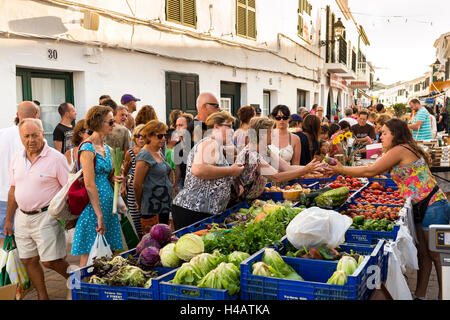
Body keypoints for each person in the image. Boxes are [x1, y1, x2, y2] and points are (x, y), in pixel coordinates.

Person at [328, 118, 449, 300]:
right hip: (418, 205)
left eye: (384, 133)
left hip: (433, 203)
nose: (381, 136)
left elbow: (371, 171)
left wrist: (341, 169)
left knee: (437, 256)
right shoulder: (399, 149)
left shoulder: (400, 150)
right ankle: (421, 295)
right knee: (424, 254)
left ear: (395, 134)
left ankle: (445, 295)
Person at [4, 118, 70, 300]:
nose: (31, 140)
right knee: (28, 260)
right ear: (20, 137)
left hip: (46, 216)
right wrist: (8, 220)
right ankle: (43, 296)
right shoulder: (17, 158)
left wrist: (72, 217)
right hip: (22, 218)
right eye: (26, 136)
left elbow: (69, 189)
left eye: (35, 135)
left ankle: (81, 281)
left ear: (43, 134)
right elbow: (13, 190)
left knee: (50, 261)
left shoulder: (56, 158)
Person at [172, 111, 244, 230]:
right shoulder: (211, 142)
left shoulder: (215, 145)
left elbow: (212, 177)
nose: (232, 131)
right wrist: (231, 171)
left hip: (198, 210)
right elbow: (199, 169)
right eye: (229, 126)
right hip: (193, 210)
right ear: (216, 126)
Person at [71, 105, 124, 267]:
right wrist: (98, 213)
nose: (114, 125)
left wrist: (117, 178)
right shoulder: (87, 148)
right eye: (110, 122)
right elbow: (89, 183)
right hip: (93, 207)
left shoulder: (107, 148)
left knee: (105, 253)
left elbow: (107, 177)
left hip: (108, 205)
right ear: (99, 123)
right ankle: (81, 291)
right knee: (89, 255)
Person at [233, 117, 323, 202]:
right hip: (243, 202)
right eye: (271, 132)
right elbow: (276, 177)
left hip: (255, 198)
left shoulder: (265, 149)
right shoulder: (251, 154)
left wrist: (312, 167)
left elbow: (287, 167)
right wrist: (305, 170)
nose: (273, 135)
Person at [0, 101, 40, 246]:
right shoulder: (35, 139)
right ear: (36, 116)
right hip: (23, 199)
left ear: (18, 115)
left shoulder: (2, 134)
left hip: (2, 197)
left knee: (4, 245)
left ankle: (6, 268)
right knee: (26, 247)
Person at [133, 120, 173, 234]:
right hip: (152, 207)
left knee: (164, 240)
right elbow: (137, 184)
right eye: (160, 136)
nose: (164, 139)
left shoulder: (158, 151)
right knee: (155, 242)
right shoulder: (145, 154)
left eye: (165, 135)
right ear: (149, 136)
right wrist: (140, 203)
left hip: (163, 204)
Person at [122, 124, 146, 238]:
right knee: (137, 223)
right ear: (134, 138)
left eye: (143, 135)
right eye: (137, 136)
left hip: (148, 190)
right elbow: (124, 172)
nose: (140, 138)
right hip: (133, 190)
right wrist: (122, 186)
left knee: (149, 222)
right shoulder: (130, 153)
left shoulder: (153, 151)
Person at [174, 113, 194, 195]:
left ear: (188, 126)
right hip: (183, 183)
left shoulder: (195, 144)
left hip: (194, 184)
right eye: (176, 125)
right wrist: (176, 184)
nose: (178, 128)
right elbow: (177, 166)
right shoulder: (177, 144)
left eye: (181, 125)